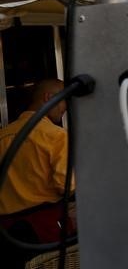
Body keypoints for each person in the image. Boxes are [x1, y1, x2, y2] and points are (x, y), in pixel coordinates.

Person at [0, 79, 74, 261]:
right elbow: (66, 187)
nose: (66, 108)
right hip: (44, 230)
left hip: (5, 233)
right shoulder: (57, 136)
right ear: (48, 97)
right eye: (65, 101)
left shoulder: (3, 137)